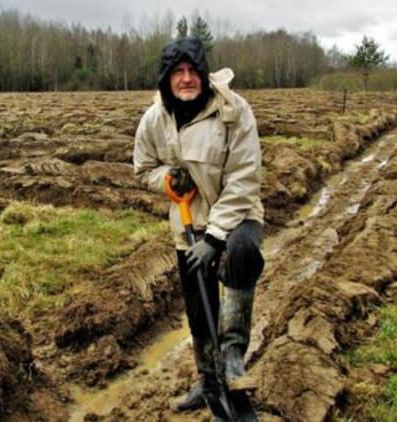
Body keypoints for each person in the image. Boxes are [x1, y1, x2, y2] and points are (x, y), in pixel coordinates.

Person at [133, 36, 265, 420]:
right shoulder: (156, 118)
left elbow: (244, 180)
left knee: (240, 255)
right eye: (178, 72)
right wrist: (167, 180)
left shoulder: (233, 110)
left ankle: (233, 364)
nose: (187, 79)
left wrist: (215, 237)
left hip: (237, 217)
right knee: (197, 301)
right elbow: (143, 169)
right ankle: (209, 381)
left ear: (204, 75)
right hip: (188, 222)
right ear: (166, 78)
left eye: (193, 71)